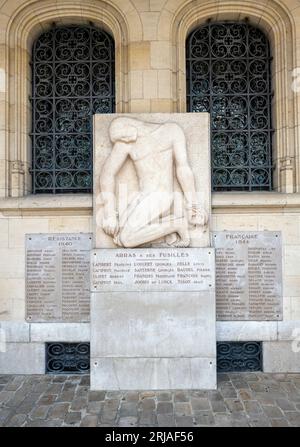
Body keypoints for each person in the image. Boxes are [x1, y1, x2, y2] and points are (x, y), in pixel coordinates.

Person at [100, 117, 207, 247]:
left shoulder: (172, 131)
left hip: (160, 197)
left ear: (129, 128)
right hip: (143, 197)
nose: (120, 141)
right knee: (119, 238)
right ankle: (169, 227)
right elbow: (107, 174)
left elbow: (183, 168)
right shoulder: (126, 142)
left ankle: (178, 225)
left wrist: (193, 205)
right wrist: (109, 213)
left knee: (127, 239)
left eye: (120, 137)